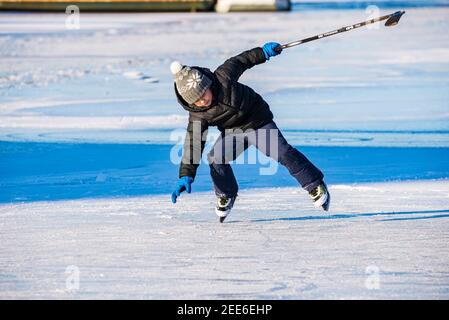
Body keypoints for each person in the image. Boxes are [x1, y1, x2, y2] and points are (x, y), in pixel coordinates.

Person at [170, 42, 330, 222]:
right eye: (196, 101)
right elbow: (194, 142)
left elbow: (242, 60)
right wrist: (186, 174)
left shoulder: (223, 76)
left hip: (257, 121)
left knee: (282, 152)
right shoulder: (198, 114)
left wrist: (263, 52)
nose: (202, 101)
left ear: (207, 84)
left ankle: (315, 185)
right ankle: (226, 194)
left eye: (203, 94)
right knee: (215, 158)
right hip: (233, 131)